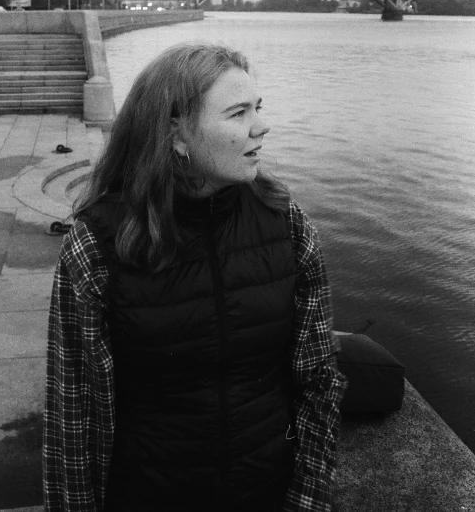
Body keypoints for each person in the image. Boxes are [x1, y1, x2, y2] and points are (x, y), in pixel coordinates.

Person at [43, 42, 346, 512]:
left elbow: (318, 379)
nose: (262, 126)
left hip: (265, 493)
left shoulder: (286, 224)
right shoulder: (98, 245)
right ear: (176, 134)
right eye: (238, 113)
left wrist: (307, 499)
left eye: (258, 108)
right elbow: (75, 414)